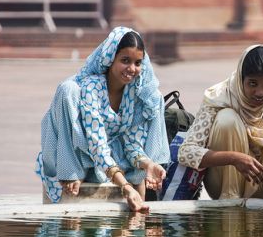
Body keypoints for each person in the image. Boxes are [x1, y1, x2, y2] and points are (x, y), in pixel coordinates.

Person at [35, 27, 170, 212]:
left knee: (155, 98)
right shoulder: (92, 87)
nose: (132, 69)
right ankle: (72, 173)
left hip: (116, 156)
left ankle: (140, 206)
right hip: (82, 151)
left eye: (138, 63)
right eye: (125, 61)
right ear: (110, 59)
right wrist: (125, 187)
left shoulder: (135, 92)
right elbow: (96, 144)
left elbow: (132, 145)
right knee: (67, 89)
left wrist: (148, 164)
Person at [178, 45, 263, 200]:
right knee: (227, 119)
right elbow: (186, 153)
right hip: (224, 183)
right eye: (252, 83)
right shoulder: (220, 95)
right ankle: (230, 197)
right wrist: (234, 158)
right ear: (240, 78)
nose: (260, 92)